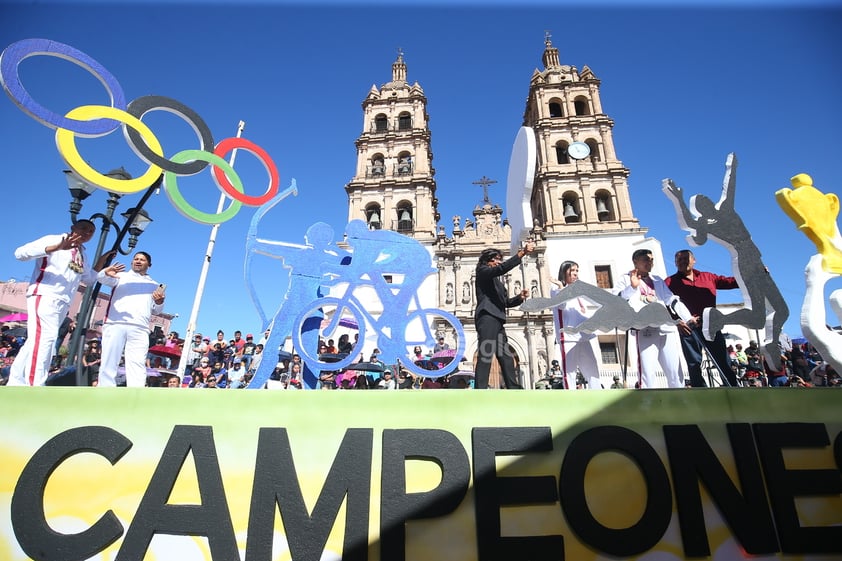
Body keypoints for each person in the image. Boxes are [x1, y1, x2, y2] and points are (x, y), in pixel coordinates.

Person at [7, 220, 110, 386]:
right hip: (45, 295)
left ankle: (16, 381)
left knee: (35, 341)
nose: (87, 233)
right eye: (83, 228)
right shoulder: (54, 240)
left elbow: (89, 278)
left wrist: (102, 263)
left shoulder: (82, 254)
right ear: (73, 228)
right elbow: (20, 253)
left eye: (91, 231)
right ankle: (35, 384)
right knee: (45, 340)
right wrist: (55, 248)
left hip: (63, 302)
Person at [615, 249, 689, 389]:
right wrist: (632, 287)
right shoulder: (625, 279)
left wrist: (688, 317)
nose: (650, 262)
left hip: (666, 329)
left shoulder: (658, 280)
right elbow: (617, 300)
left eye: (651, 260)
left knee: (675, 372)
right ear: (635, 261)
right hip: (645, 329)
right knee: (648, 373)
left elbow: (671, 299)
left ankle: (680, 400)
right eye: (645, 259)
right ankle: (647, 404)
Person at [665, 249, 740, 387]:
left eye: (685, 259)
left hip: (711, 325)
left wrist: (755, 275)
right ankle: (700, 392)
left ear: (694, 260)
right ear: (675, 263)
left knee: (722, 360)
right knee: (693, 363)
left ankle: (732, 388)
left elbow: (730, 282)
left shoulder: (708, 277)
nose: (682, 262)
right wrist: (677, 322)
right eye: (679, 260)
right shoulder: (669, 282)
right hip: (689, 328)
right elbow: (665, 304)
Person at [96, 252, 166, 387]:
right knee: (109, 360)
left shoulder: (155, 285)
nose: (138, 261)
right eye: (136, 259)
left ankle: (136, 393)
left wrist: (160, 301)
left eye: (142, 260)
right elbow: (101, 278)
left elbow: (157, 310)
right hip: (115, 323)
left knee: (137, 362)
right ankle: (105, 390)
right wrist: (105, 271)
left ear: (149, 265)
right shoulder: (120, 276)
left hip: (140, 327)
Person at [473, 241, 535, 389]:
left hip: (498, 318)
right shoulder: (483, 271)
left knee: (505, 355)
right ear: (488, 261)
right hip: (487, 317)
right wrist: (521, 253)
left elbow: (505, 302)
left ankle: (513, 387)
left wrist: (519, 297)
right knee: (486, 352)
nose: (499, 262)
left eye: (500, 259)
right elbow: (501, 269)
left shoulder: (497, 283)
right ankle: (480, 388)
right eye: (496, 259)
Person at [549, 260, 602, 390]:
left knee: (592, 369)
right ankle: (570, 396)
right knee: (569, 371)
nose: (575, 274)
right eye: (572, 271)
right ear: (564, 271)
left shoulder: (578, 290)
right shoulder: (556, 288)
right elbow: (561, 305)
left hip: (583, 336)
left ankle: (597, 393)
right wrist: (562, 288)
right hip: (567, 337)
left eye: (577, 271)